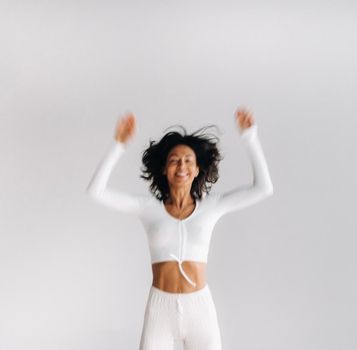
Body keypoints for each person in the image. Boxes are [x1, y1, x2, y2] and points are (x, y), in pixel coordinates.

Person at [86, 107, 273, 350]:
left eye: (188, 161)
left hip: (200, 308)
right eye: (174, 160)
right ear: (164, 169)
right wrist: (118, 145)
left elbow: (263, 188)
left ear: (196, 170)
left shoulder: (212, 206)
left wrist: (250, 137)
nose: (181, 166)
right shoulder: (147, 208)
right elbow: (96, 191)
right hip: (159, 308)